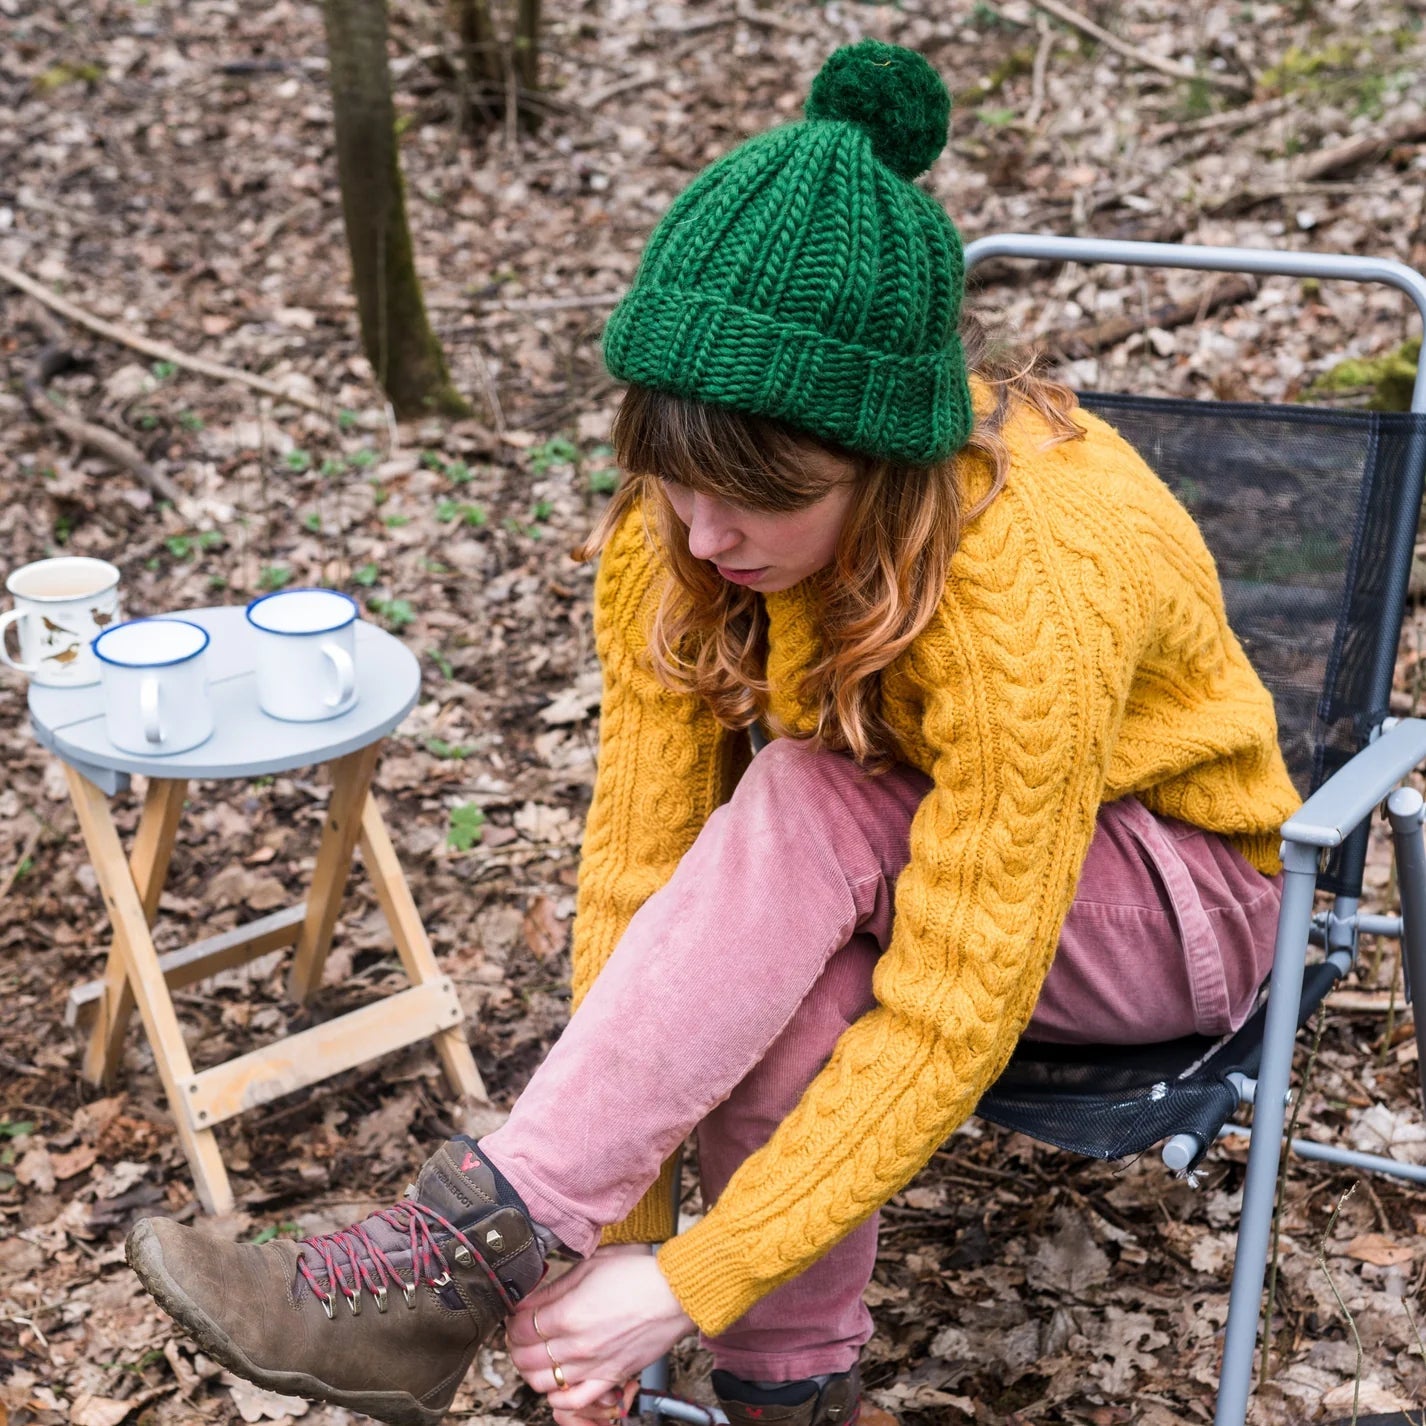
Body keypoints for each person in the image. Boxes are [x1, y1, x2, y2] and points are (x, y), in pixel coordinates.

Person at [124, 37, 1302, 1426]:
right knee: (794, 968)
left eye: (757, 496)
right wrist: (613, 1246)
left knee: (812, 792)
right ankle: (783, 1395)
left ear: (885, 468)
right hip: (909, 859)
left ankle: (455, 1253)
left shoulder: (1019, 584)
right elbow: (643, 887)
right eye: (674, 478)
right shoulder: (673, 540)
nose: (703, 530)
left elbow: (950, 1004)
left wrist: (685, 1280)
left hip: (1178, 904)